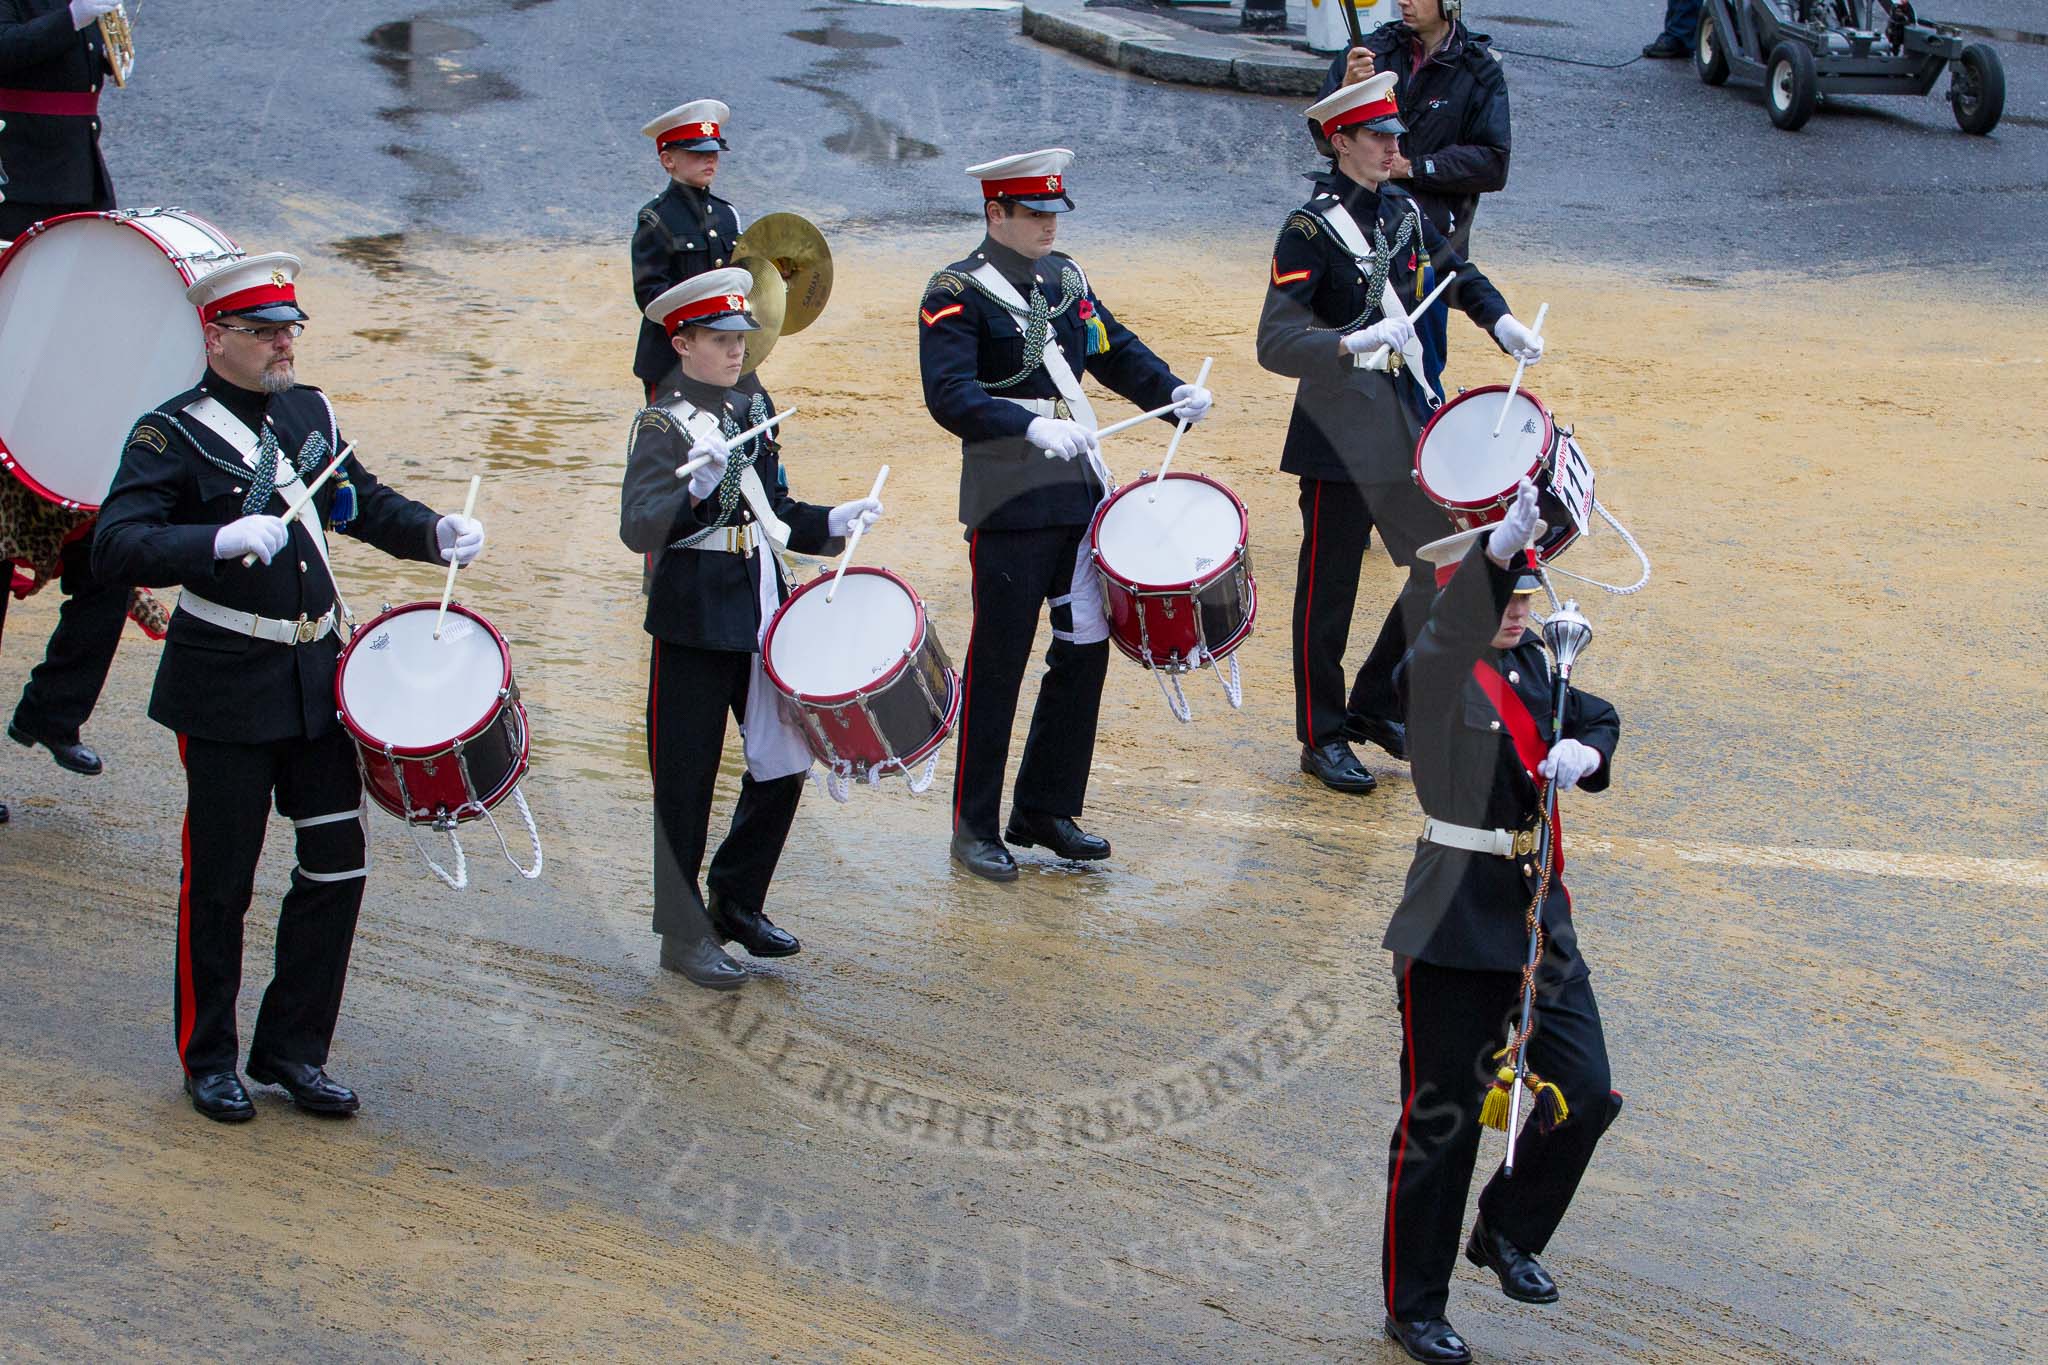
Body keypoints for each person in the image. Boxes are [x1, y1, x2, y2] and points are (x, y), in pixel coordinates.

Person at [93, 252, 488, 1123]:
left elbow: (359, 500)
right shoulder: (171, 433)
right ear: (214, 334)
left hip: (318, 677)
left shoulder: (308, 409)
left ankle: (294, 1049)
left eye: (290, 329)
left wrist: (432, 531)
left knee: (336, 866)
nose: (284, 345)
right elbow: (116, 544)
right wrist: (214, 541)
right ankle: (210, 1058)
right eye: (265, 332)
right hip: (228, 683)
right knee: (222, 881)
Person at [1376, 482, 1622, 1365]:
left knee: (1586, 1086)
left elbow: (1590, 713)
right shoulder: (1435, 669)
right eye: (1505, 597)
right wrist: (1487, 557)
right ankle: (1415, 1304)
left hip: (1532, 908)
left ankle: (1507, 1230)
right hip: (1452, 918)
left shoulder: (1528, 663)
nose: (1521, 611)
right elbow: (1440, 646)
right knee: (1439, 1122)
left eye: (1526, 596)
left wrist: (1590, 754)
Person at [918, 148, 1211, 882]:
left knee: (1082, 650)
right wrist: (1026, 426)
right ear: (996, 213)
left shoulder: (1066, 278)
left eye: (1054, 213)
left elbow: (1112, 348)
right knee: (1002, 661)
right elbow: (949, 394)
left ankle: (1046, 806)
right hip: (1010, 497)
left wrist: (1171, 391)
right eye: (1034, 213)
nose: (1049, 225)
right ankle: (973, 824)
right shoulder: (956, 291)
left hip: (1077, 489)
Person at [1259, 74, 1541, 796]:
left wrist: (1501, 320)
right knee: (1329, 591)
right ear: (1340, 141)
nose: (1393, 147)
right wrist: (1351, 342)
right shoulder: (1310, 229)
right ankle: (1320, 735)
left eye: (1394, 135)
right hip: (1337, 435)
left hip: (1405, 428)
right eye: (1378, 136)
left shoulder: (1405, 213)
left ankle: (1375, 702)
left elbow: (1457, 274)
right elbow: (1276, 340)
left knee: (1437, 564)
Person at [618, 267, 882, 990]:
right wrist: (689, 493)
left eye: (741, 337)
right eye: (722, 340)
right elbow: (637, 524)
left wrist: (832, 523)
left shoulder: (751, 400)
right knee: (686, 780)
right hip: (695, 617)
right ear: (684, 341)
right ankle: (680, 933)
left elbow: (779, 508)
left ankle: (735, 898)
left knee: (786, 755)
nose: (738, 351)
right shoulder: (662, 422)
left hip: (760, 601)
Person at [0, 0, 132, 794]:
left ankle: (53, 710)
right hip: (13, 188)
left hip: (70, 190)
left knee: (112, 548)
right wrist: (77, 13)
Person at [630, 99, 746, 403]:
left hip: (722, 354)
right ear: (668, 160)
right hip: (673, 359)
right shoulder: (656, 219)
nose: (710, 161)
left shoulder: (726, 215)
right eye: (697, 154)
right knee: (673, 442)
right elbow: (650, 295)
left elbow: (743, 276)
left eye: (713, 153)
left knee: (755, 425)